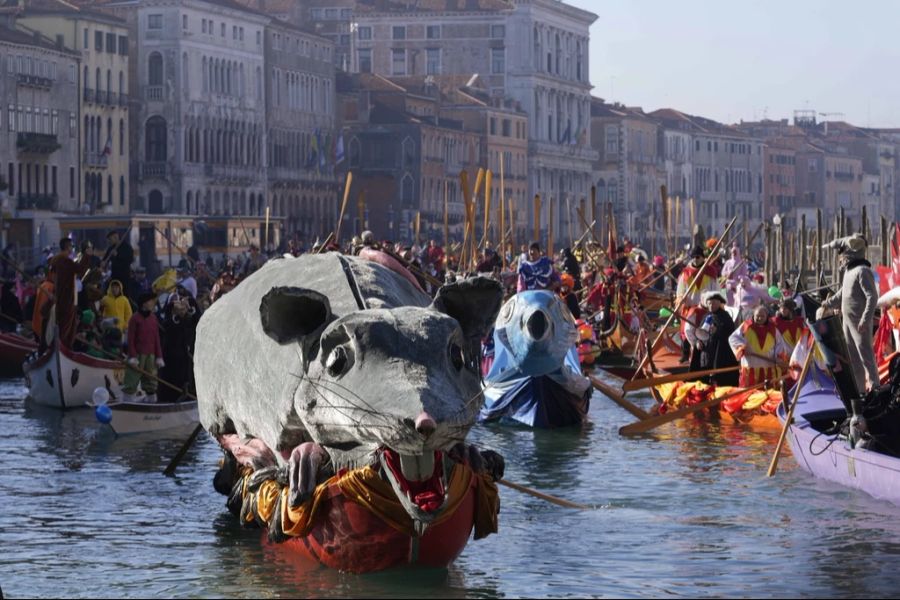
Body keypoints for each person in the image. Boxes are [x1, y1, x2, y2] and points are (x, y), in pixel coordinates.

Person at [820, 233, 880, 393]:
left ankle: (875, 387)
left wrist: (865, 319)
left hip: (859, 322)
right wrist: (828, 302)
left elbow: (872, 297)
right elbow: (842, 293)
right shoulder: (849, 272)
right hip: (847, 321)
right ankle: (860, 389)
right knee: (853, 359)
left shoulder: (862, 270)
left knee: (866, 357)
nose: (841, 259)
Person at [729, 305, 790, 387]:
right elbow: (733, 338)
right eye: (757, 316)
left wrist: (779, 358)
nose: (760, 318)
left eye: (762, 316)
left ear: (767, 316)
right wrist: (741, 347)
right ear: (753, 315)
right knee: (751, 393)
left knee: (768, 392)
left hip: (768, 366)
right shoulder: (746, 326)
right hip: (750, 367)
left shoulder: (773, 328)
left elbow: (780, 345)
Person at [691, 290, 740, 386]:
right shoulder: (706, 316)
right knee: (704, 379)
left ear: (719, 303)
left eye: (713, 303)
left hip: (720, 355)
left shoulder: (725, 317)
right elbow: (701, 332)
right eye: (709, 303)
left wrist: (717, 331)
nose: (711, 306)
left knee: (719, 380)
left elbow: (730, 335)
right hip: (705, 354)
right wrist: (698, 342)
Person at [123, 292, 164, 403]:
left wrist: (159, 356)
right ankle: (128, 399)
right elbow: (130, 339)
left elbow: (156, 339)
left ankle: (150, 397)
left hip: (150, 355)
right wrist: (132, 356)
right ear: (144, 303)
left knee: (150, 378)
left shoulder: (153, 318)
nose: (153, 303)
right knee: (132, 376)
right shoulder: (135, 319)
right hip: (138, 354)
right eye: (151, 301)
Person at [49, 238, 89, 347]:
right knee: (66, 325)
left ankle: (61, 346)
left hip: (59, 296)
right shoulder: (65, 260)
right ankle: (62, 347)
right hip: (66, 297)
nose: (72, 248)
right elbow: (80, 269)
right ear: (68, 247)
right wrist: (87, 256)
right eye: (71, 246)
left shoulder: (56, 260)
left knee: (62, 323)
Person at [103, 230, 135, 295]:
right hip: (114, 275)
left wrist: (118, 255)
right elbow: (105, 259)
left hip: (124, 275)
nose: (109, 241)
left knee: (125, 293)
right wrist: (103, 263)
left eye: (110, 239)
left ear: (116, 237)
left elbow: (130, 260)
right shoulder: (111, 248)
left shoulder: (127, 247)